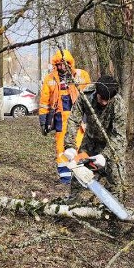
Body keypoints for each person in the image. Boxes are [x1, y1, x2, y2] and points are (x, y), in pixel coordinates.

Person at [62, 74, 124, 193]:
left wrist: (105, 155)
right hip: (90, 141)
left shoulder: (118, 105)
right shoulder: (86, 96)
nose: (105, 103)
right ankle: (71, 204)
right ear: (96, 91)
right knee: (78, 173)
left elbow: (119, 136)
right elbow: (74, 119)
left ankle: (113, 207)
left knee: (116, 182)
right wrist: (70, 145)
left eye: (108, 100)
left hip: (112, 145)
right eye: (102, 99)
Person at [38, 49, 90, 184]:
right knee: (61, 147)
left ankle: (79, 174)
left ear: (69, 63)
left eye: (64, 64)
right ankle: (65, 177)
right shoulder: (50, 79)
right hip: (60, 117)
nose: (62, 67)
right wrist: (43, 121)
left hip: (78, 117)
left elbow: (90, 95)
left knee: (79, 145)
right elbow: (44, 102)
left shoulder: (81, 75)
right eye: (59, 64)